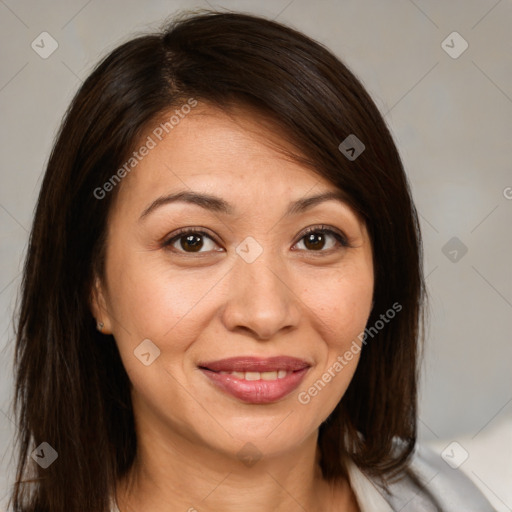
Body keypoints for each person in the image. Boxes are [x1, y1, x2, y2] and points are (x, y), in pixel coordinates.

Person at [9, 10, 496, 512]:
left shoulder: (449, 498)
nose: (265, 314)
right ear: (96, 286)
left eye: (316, 239)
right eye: (193, 241)